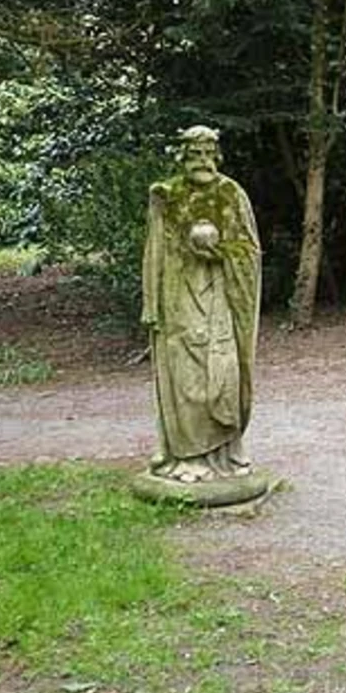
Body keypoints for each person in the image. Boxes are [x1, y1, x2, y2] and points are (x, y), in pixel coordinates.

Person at [140, 125, 262, 484]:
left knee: (222, 374)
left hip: (220, 299)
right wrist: (151, 301)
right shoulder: (168, 194)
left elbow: (249, 251)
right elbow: (154, 251)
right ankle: (187, 457)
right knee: (185, 379)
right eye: (195, 154)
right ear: (183, 156)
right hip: (178, 298)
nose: (203, 161)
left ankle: (225, 452)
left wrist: (217, 250)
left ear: (218, 156)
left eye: (209, 154)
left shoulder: (230, 193)